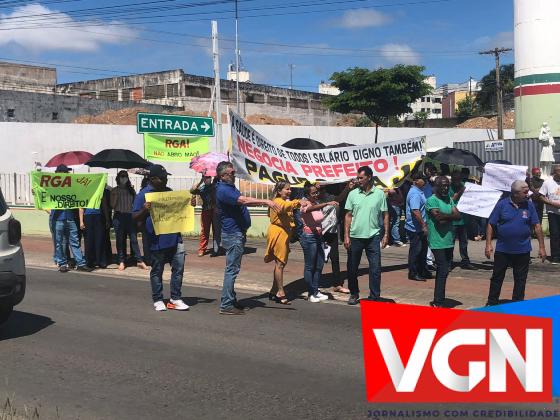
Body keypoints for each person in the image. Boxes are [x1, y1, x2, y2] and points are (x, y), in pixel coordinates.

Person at [215, 161, 280, 315]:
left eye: (233, 172)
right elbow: (243, 200)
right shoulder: (223, 190)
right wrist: (265, 201)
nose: (234, 174)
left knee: (232, 269)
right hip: (233, 234)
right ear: (223, 176)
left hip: (236, 233)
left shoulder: (229, 187)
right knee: (232, 270)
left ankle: (230, 299)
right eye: (231, 173)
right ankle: (226, 304)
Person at [132, 164, 189, 312]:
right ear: (152, 179)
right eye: (162, 178)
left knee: (178, 269)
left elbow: (179, 210)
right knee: (157, 271)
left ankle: (175, 298)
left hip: (175, 238)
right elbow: (134, 216)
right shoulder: (143, 195)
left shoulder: (169, 192)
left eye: (166, 177)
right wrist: (144, 209)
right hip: (156, 240)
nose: (165, 180)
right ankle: (158, 299)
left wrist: (189, 204)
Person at [485, 181, 547, 305]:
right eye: (525, 192)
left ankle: (517, 303)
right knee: (497, 277)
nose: (527, 194)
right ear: (515, 193)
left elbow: (537, 226)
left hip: (523, 250)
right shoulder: (502, 205)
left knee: (520, 279)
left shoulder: (529, 205)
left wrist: (542, 247)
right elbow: (491, 224)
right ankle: (492, 302)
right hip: (503, 250)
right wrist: (488, 244)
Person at [344, 166, 389, 305]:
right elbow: (348, 215)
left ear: (369, 177)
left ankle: (374, 296)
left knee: (375, 268)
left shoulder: (379, 194)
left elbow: (385, 214)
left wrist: (386, 234)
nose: (358, 180)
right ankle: (354, 293)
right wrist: (346, 235)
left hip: (373, 237)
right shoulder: (353, 194)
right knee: (352, 268)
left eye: (361, 178)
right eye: (358, 178)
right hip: (355, 236)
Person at [425, 176, 461, 307]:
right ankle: (438, 301)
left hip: (449, 240)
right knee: (442, 269)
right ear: (436, 186)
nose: (446, 188)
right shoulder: (431, 201)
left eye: (447, 186)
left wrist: (447, 217)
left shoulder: (449, 200)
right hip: (437, 241)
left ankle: (440, 298)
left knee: (444, 271)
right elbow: (439, 220)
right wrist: (450, 217)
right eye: (443, 186)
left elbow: (458, 215)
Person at [299, 182, 338, 303]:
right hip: (309, 236)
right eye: (313, 193)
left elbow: (337, 200)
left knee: (319, 264)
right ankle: (311, 293)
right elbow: (308, 210)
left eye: (317, 192)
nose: (316, 194)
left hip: (319, 236)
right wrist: (326, 203)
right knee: (310, 266)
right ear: (307, 194)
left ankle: (315, 291)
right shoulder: (304, 202)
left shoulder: (316, 202)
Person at [264, 181, 301, 305]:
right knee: (280, 264)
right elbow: (284, 208)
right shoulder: (278, 201)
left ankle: (274, 290)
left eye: (290, 189)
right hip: (278, 232)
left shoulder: (284, 201)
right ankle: (280, 291)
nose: (289, 191)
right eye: (287, 189)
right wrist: (298, 202)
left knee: (280, 264)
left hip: (284, 233)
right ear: (279, 191)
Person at [52, 164, 93, 273]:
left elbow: (79, 198)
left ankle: (80, 263)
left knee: (74, 241)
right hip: (58, 218)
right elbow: (42, 195)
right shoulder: (52, 187)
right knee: (59, 242)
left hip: (69, 218)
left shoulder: (72, 187)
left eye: (66, 173)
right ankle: (62, 263)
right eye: (63, 173)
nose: (64, 175)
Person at [111, 170, 147, 271]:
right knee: (120, 240)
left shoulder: (131, 190)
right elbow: (112, 205)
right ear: (118, 178)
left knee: (134, 239)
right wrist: (116, 196)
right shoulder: (114, 190)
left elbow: (135, 204)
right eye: (122, 176)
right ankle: (121, 261)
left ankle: (139, 260)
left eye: (125, 176)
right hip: (119, 216)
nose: (124, 178)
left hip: (130, 216)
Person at [405, 172, 431, 281]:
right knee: (416, 251)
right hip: (415, 228)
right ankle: (413, 272)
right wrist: (423, 225)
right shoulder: (415, 194)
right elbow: (415, 211)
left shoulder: (419, 191)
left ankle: (422, 270)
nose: (424, 181)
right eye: (422, 179)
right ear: (416, 181)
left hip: (419, 227)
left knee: (423, 250)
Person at [449, 170, 476, 270]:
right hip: (452, 219)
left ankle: (465, 261)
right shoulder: (448, 187)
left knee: (464, 242)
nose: (457, 181)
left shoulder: (465, 185)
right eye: (455, 179)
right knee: (450, 242)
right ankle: (449, 261)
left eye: (458, 179)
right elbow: (452, 199)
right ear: (452, 179)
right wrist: (461, 190)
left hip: (463, 219)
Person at [79, 188, 111, 269]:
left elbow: (104, 205)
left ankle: (101, 261)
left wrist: (107, 219)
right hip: (88, 217)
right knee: (89, 240)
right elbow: (81, 207)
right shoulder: (84, 192)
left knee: (100, 239)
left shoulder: (100, 192)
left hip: (99, 216)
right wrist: (81, 221)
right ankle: (90, 261)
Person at [538, 164, 560, 264]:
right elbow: (541, 196)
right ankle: (555, 256)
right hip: (553, 212)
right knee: (555, 234)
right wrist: (551, 203)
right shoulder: (548, 182)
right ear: (555, 172)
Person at [190, 174, 215, 257]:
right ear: (203, 178)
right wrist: (200, 181)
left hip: (215, 211)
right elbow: (192, 190)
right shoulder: (202, 188)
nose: (208, 179)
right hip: (205, 211)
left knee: (217, 230)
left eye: (209, 177)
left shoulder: (215, 186)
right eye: (206, 177)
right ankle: (202, 249)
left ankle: (216, 248)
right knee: (204, 230)